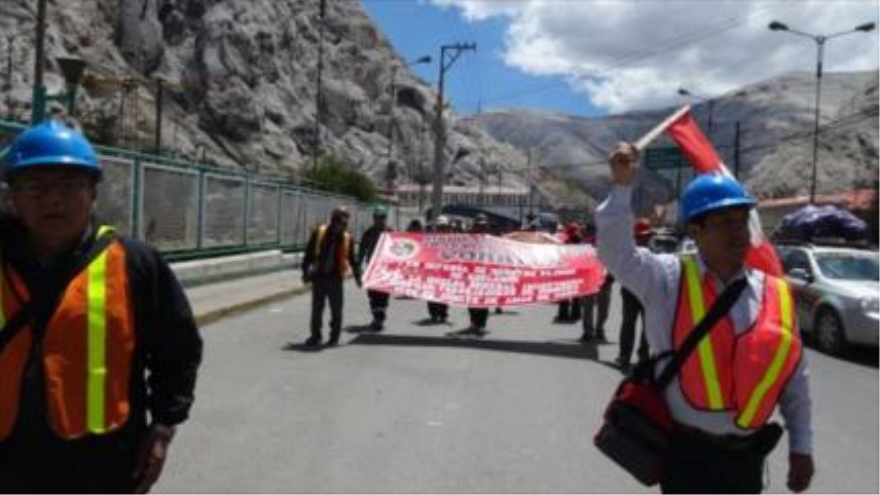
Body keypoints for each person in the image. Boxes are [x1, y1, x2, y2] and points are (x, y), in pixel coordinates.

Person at [596, 142, 814, 494]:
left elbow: (794, 378)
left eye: (743, 219)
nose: (739, 230)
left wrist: (801, 446)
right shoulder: (666, 279)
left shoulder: (776, 292)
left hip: (747, 461)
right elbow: (614, 251)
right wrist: (622, 187)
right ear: (695, 232)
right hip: (687, 457)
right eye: (725, 221)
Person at [0, 120, 203, 494]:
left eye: (69, 184)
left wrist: (162, 427)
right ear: (13, 194)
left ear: (93, 193)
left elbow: (179, 350)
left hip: (99, 463)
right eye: (35, 185)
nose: (52, 198)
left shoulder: (135, 265)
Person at [302, 206, 361, 347]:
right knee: (317, 309)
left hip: (336, 278)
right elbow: (308, 253)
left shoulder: (347, 238)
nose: (344, 226)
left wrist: (358, 277)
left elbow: (353, 260)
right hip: (319, 276)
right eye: (342, 222)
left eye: (346, 223)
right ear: (334, 221)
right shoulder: (319, 232)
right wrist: (305, 272)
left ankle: (334, 337)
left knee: (336, 310)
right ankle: (315, 336)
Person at [615, 218, 652, 368]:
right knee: (634, 324)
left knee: (637, 325)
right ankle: (633, 356)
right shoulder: (630, 250)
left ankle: (634, 356)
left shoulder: (630, 249)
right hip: (637, 292)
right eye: (641, 235)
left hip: (641, 292)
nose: (643, 238)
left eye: (644, 235)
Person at [357, 205, 393, 331]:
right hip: (372, 269)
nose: (380, 220)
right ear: (374, 218)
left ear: (386, 218)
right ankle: (377, 318)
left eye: (382, 217)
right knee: (373, 295)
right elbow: (362, 251)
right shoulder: (368, 233)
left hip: (386, 269)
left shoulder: (391, 232)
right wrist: (359, 268)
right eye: (377, 217)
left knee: (383, 295)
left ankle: (379, 318)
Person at [460, 213, 492, 336]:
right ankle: (474, 322)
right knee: (472, 300)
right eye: (479, 225)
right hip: (471, 274)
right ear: (474, 226)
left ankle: (481, 324)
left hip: (486, 274)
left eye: (483, 225)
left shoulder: (493, 240)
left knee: (483, 300)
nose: (481, 228)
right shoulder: (467, 239)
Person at [580, 223, 612, 342]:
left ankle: (598, 329)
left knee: (602, 308)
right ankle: (589, 331)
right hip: (589, 279)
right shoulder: (584, 245)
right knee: (589, 307)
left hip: (604, 280)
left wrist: (610, 276)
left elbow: (612, 260)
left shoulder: (607, 244)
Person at [554, 222, 583, 323]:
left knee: (564, 293)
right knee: (576, 295)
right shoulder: (580, 241)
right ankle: (576, 314)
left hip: (566, 270)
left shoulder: (565, 242)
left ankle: (563, 314)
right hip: (577, 270)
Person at [426, 215, 451, 324]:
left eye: (444, 227)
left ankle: (443, 314)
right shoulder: (430, 239)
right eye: (440, 227)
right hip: (432, 270)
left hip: (446, 271)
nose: (442, 229)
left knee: (444, 294)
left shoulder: (454, 240)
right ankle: (433, 314)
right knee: (431, 293)